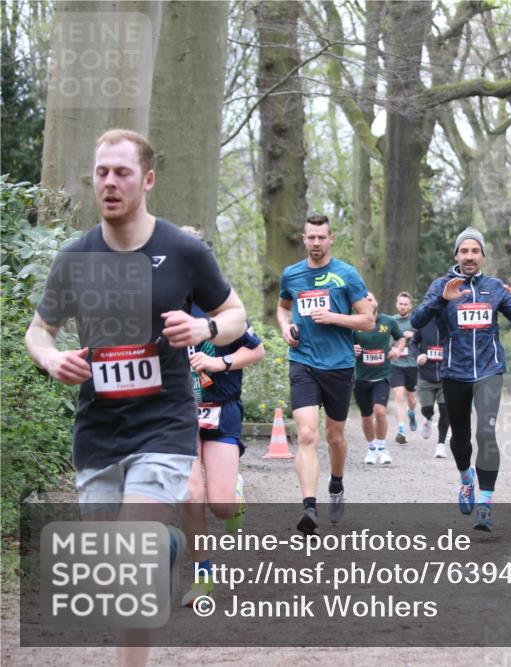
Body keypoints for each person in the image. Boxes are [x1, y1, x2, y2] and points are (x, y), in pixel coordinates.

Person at [25, 129, 247, 666]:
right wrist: (53, 359)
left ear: (146, 180)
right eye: (101, 172)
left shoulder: (183, 251)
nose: (109, 182)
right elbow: (39, 331)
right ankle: (167, 550)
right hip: (98, 431)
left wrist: (204, 333)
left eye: (121, 172)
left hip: (164, 425)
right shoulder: (75, 258)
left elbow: (234, 315)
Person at [411, 227, 511, 531]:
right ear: (456, 255)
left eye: (474, 251)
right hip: (455, 373)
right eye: (463, 251)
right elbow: (416, 321)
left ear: (483, 256)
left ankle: (486, 504)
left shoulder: (494, 287)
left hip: (489, 371)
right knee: (461, 439)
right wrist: (440, 297)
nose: (469, 256)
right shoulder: (441, 285)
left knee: (486, 435)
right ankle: (466, 481)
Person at [177, 227, 265, 608]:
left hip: (221, 410)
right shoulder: (157, 303)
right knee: (190, 493)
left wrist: (218, 362)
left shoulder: (222, 306)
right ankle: (203, 575)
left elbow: (256, 350)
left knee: (222, 506)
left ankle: (236, 495)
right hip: (178, 413)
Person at [276, 215, 374, 534]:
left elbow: (367, 320)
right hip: (302, 360)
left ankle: (337, 482)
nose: (316, 243)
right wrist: (285, 328)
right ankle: (309, 508)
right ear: (303, 239)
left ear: (331, 238)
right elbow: (282, 307)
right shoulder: (291, 274)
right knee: (306, 435)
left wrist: (333, 317)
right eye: (310, 238)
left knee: (334, 436)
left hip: (338, 365)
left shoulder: (346, 275)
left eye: (321, 237)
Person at [352, 292, 406, 465]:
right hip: (361, 377)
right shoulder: (353, 323)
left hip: (382, 376)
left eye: (370, 299)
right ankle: (371, 447)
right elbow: (344, 344)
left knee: (380, 411)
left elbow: (401, 337)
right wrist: (352, 349)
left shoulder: (388, 321)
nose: (368, 302)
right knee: (366, 416)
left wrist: (397, 350)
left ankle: (382, 448)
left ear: (376, 302)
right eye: (364, 300)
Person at [413, 318, 451, 459]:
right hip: (425, 377)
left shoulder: (450, 321)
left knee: (445, 409)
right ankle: (427, 418)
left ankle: (440, 445)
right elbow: (412, 343)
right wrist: (418, 355)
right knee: (427, 409)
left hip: (445, 377)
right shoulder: (423, 322)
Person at [390, 291, 419, 443]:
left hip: (412, 364)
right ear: (396, 304)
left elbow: (422, 339)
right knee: (399, 395)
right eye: (400, 304)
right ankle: (401, 429)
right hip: (395, 364)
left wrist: (413, 336)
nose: (402, 307)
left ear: (410, 306)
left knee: (411, 398)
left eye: (405, 304)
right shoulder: (390, 321)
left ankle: (412, 413)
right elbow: (385, 341)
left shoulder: (415, 322)